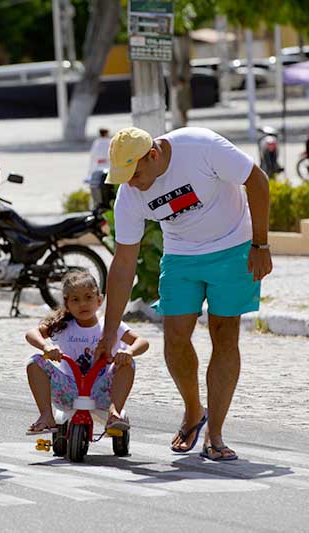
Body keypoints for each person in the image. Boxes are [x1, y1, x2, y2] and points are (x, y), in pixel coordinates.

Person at [94, 126, 272, 462]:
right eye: (124, 177)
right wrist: (108, 331)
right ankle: (194, 411)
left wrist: (260, 243)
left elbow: (257, 179)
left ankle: (215, 433)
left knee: (224, 333)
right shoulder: (130, 194)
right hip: (180, 255)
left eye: (135, 174)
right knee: (174, 337)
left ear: (154, 155)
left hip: (233, 246)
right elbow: (123, 263)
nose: (132, 183)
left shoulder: (200, 147)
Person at [24, 271, 149, 434]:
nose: (83, 304)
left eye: (88, 297)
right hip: (69, 391)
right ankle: (46, 416)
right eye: (75, 300)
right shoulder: (62, 325)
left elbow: (142, 342)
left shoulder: (110, 326)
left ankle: (114, 412)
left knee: (127, 363)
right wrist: (46, 347)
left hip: (103, 391)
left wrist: (129, 352)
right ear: (67, 304)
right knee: (34, 362)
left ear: (99, 300)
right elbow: (31, 333)